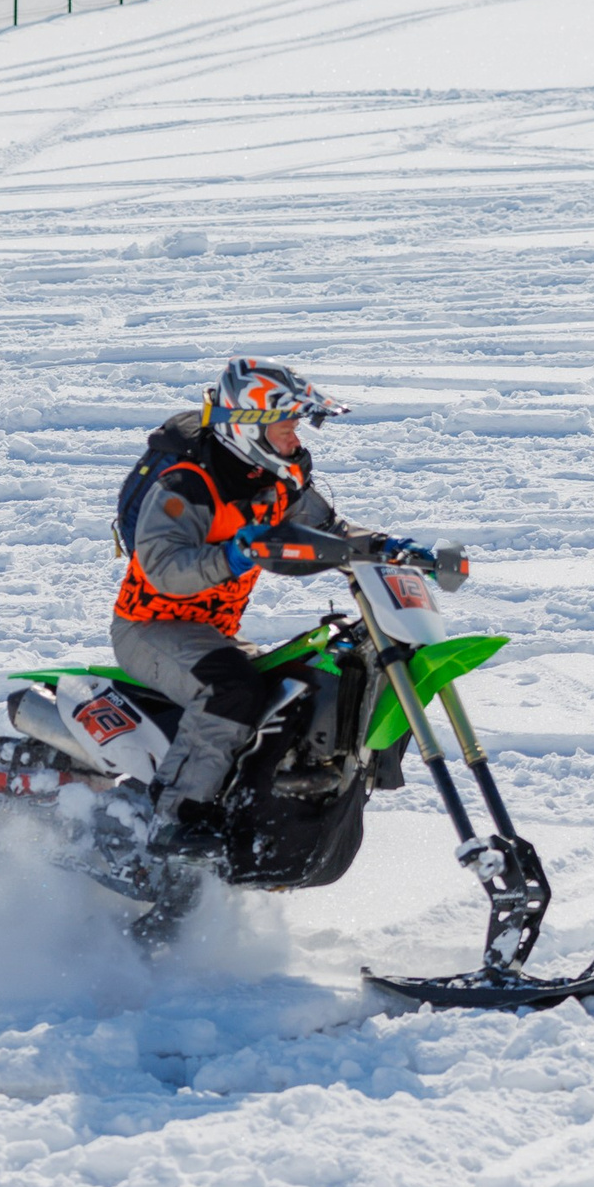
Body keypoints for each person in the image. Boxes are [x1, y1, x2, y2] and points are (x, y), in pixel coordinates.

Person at [111, 358, 371, 856]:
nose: (296, 439)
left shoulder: (278, 480)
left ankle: (247, 813)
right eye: (286, 427)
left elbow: (328, 536)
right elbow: (164, 568)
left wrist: (391, 550)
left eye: (296, 427)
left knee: (292, 690)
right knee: (232, 690)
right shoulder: (188, 484)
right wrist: (234, 553)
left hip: (212, 632)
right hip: (149, 628)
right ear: (247, 427)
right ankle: (172, 818)